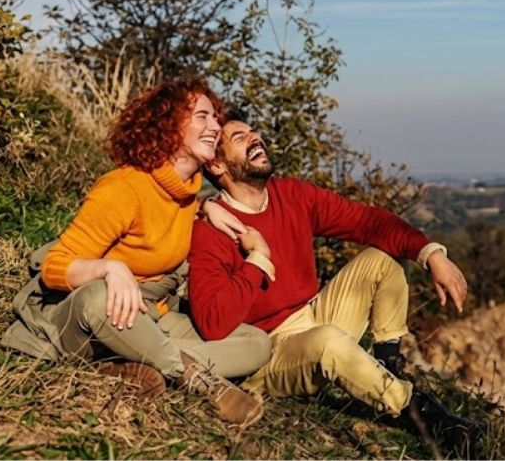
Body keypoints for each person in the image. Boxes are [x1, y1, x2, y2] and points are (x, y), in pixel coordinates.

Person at [187, 118, 485, 452]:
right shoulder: (211, 229)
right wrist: (255, 260)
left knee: (383, 259)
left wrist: (430, 254)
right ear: (216, 164)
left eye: (253, 131)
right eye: (239, 138)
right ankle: (433, 421)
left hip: (314, 314)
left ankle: (388, 367)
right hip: (267, 352)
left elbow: (366, 221)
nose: (254, 137)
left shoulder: (292, 195)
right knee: (327, 341)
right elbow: (212, 322)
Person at [2, 78, 270, 425]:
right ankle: (197, 379)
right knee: (98, 296)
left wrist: (206, 207)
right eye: (202, 117)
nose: (215, 126)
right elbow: (55, 268)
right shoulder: (123, 188)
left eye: (215, 119)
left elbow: (170, 206)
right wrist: (109, 269)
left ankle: (138, 362)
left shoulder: (187, 193)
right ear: (169, 127)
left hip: (149, 317)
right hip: (89, 321)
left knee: (257, 343)